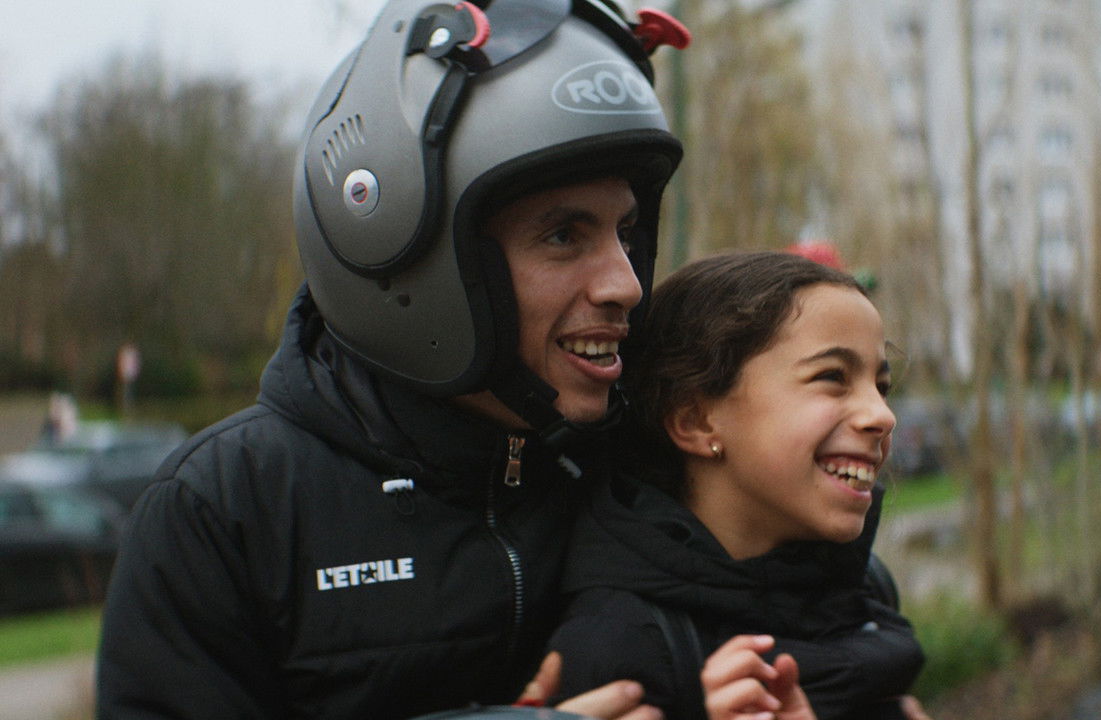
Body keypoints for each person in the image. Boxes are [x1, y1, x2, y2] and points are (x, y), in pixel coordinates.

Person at [95, 1, 691, 718]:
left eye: (626, 232)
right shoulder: (224, 512)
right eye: (564, 235)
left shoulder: (646, 467)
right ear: (410, 249)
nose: (624, 282)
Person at [546, 252, 927, 719]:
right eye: (832, 377)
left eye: (881, 385)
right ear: (695, 420)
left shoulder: (865, 588)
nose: (882, 416)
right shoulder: (618, 652)